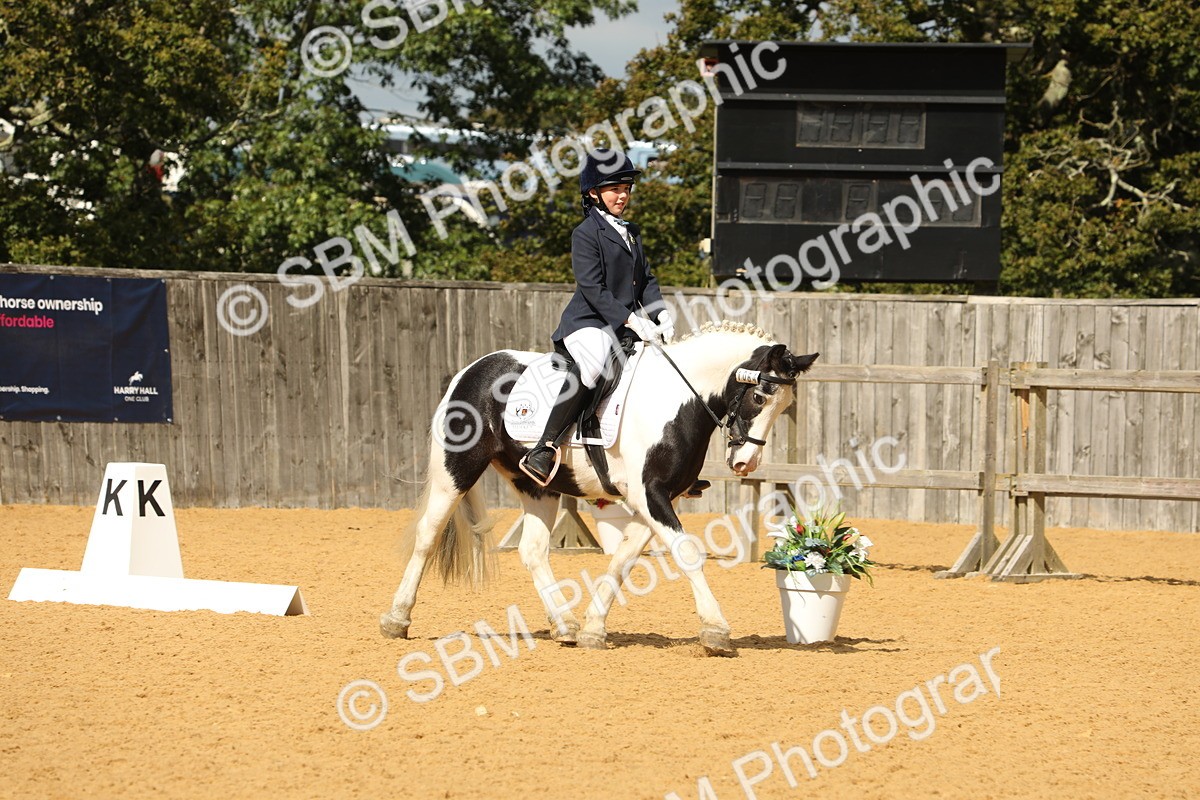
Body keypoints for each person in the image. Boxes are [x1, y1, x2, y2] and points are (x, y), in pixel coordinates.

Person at [519, 148, 674, 486]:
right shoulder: (585, 233)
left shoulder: (631, 231)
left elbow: (646, 279)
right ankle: (544, 447)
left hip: (625, 324)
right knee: (592, 363)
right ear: (593, 192)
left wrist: (660, 314)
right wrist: (632, 320)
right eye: (615, 189)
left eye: (626, 189)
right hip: (589, 322)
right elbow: (593, 288)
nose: (623, 195)